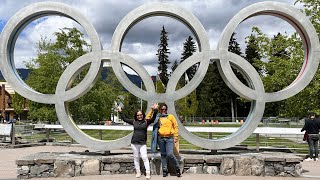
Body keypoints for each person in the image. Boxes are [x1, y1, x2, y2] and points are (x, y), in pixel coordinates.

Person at [117, 103, 158, 179]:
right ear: (136, 116)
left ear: (143, 115)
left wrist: (155, 110)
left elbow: (153, 119)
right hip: (134, 143)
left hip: (142, 144)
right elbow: (125, 119)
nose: (139, 116)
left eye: (141, 115)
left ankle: (148, 173)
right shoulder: (133, 121)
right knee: (136, 158)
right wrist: (120, 112)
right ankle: (138, 172)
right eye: (138, 115)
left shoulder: (146, 121)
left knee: (145, 157)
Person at [150, 103, 181, 177]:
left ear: (167, 109)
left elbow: (176, 126)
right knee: (163, 155)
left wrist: (176, 137)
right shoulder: (157, 117)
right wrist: (152, 109)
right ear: (160, 110)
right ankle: (165, 170)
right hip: (160, 138)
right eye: (162, 109)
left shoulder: (171, 117)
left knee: (170, 154)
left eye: (165, 109)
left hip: (169, 138)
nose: (163, 110)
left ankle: (177, 168)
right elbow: (148, 119)